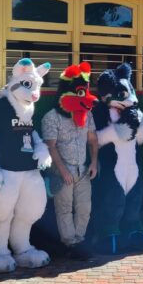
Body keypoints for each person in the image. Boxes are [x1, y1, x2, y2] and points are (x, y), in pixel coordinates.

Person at [41, 63, 99, 259]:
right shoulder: (51, 117)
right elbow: (51, 146)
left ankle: (79, 240)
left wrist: (94, 162)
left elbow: (93, 139)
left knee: (84, 207)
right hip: (62, 170)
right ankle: (70, 243)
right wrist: (62, 170)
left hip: (83, 169)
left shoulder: (87, 113)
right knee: (64, 208)